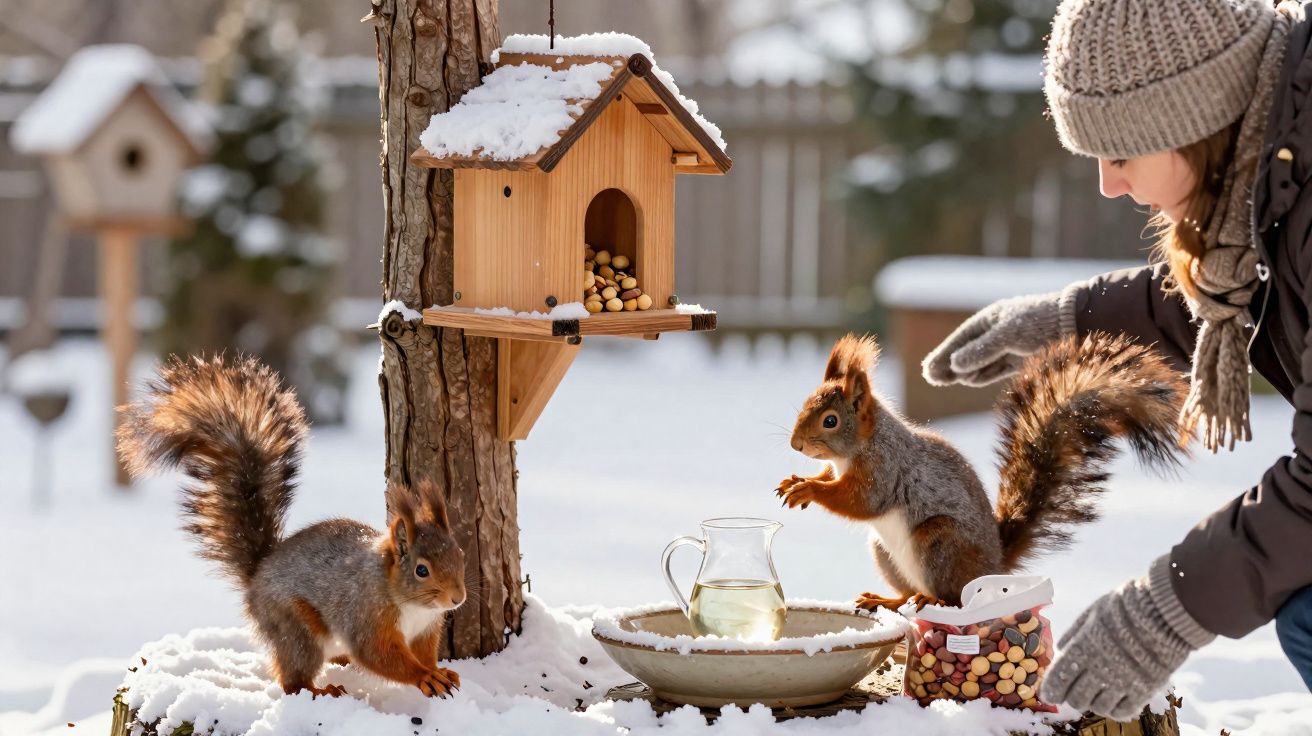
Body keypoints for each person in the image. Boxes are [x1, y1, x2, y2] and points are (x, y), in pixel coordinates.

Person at [922, 0, 1312, 720]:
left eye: (1122, 153)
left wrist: (1160, 614)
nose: (1109, 183)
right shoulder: (1278, 164)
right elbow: (1242, 288)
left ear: (1195, 121)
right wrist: (1063, 320)